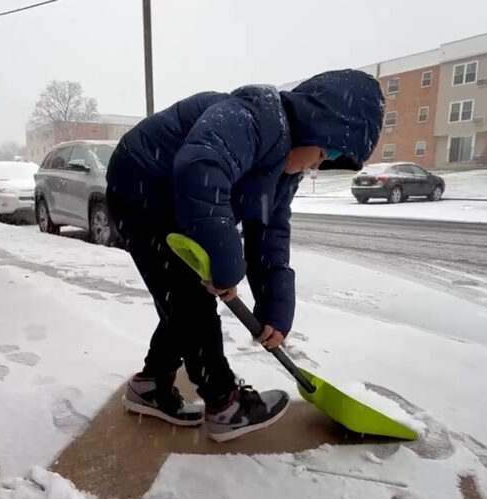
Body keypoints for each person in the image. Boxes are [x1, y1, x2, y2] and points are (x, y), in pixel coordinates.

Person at [106, 69, 384, 442]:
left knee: (181, 300)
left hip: (171, 203)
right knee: (191, 301)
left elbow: (269, 235)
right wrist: (226, 265)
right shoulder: (255, 115)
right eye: (324, 152)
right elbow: (201, 168)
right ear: (318, 126)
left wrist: (274, 312)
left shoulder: (283, 173)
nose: (318, 163)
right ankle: (225, 404)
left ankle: (152, 383)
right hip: (141, 192)